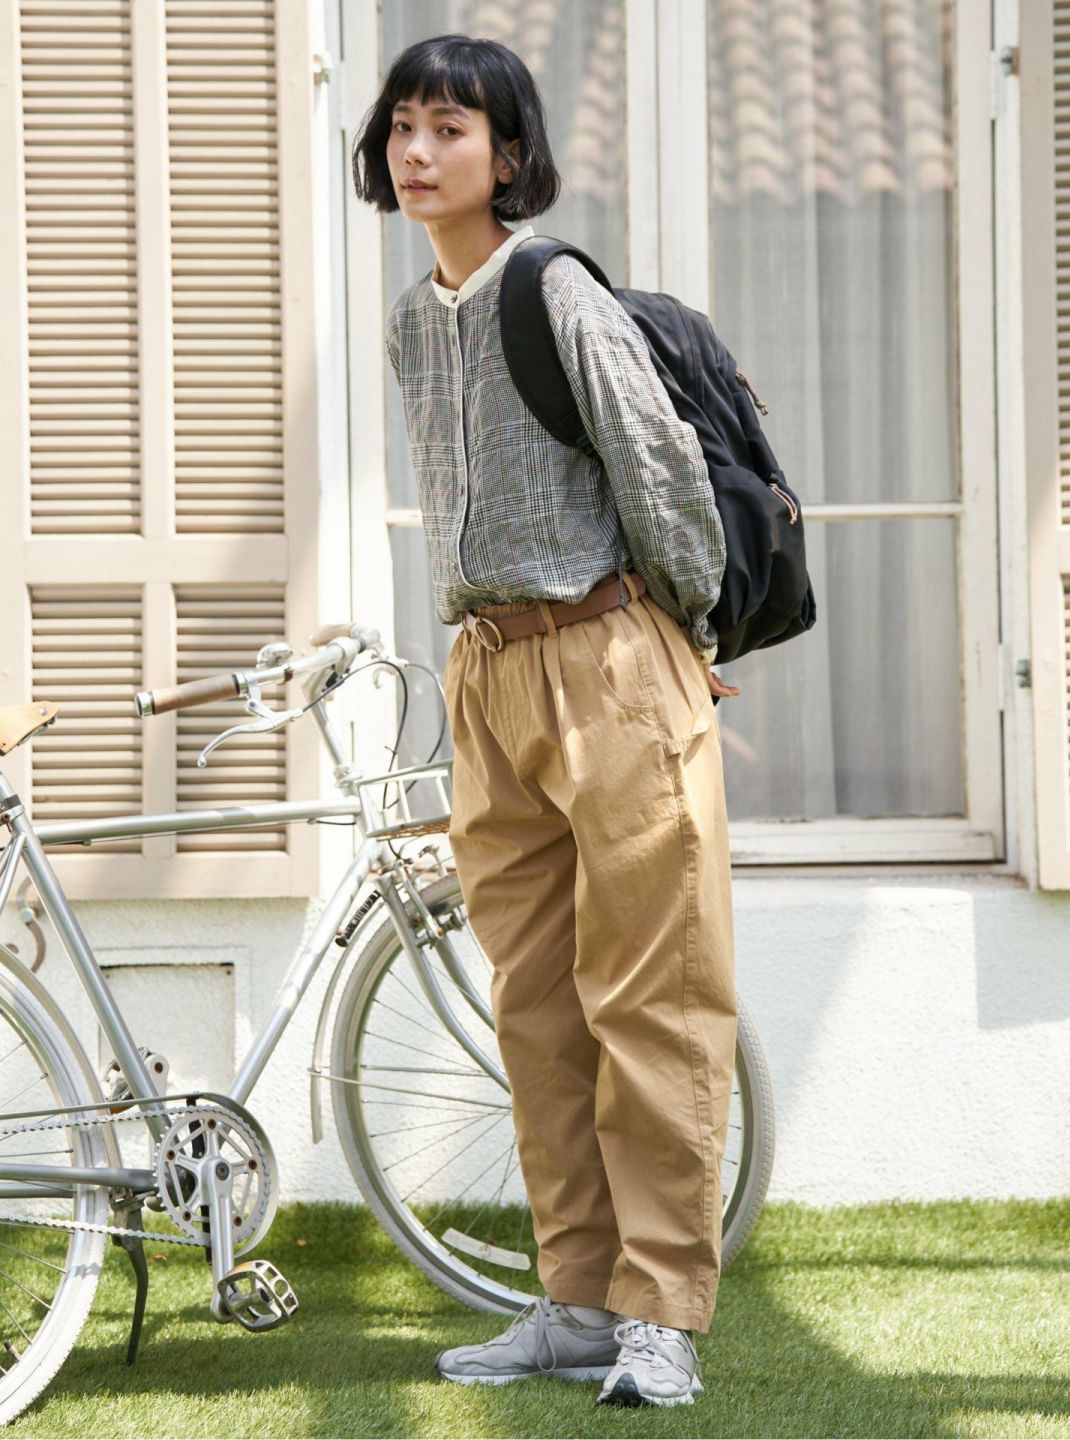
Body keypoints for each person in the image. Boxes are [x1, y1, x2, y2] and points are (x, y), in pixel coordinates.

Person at [352, 32, 741, 1409]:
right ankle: (577, 1302)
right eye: (403, 125)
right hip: (489, 675)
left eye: (450, 128)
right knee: (536, 1009)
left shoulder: (554, 287)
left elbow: (661, 470)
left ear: (507, 156)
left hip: (607, 656)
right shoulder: (413, 321)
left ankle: (661, 1316)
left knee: (651, 1000)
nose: (418, 151)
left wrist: (685, 639)